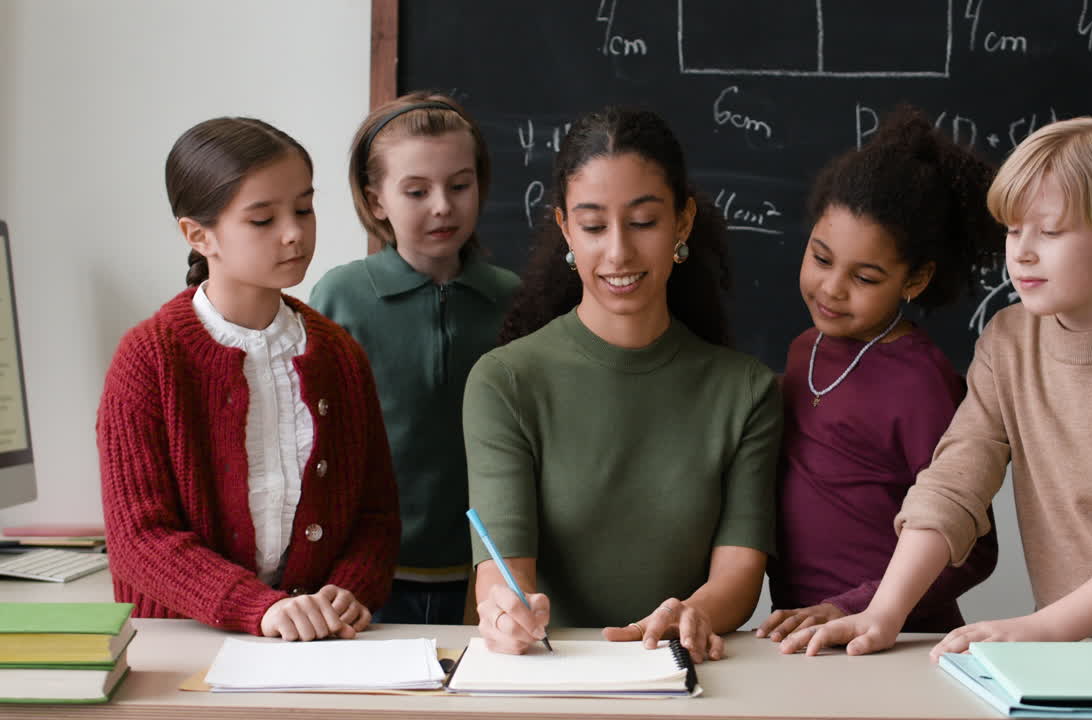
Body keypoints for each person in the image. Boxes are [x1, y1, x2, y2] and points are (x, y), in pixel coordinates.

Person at [782, 117, 1092, 688]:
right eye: (1013, 231)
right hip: (1083, 646)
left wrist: (1043, 628)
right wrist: (882, 613)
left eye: (1049, 232)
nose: (1021, 254)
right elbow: (954, 484)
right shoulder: (1007, 340)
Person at [464, 107, 781, 663]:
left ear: (682, 223)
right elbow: (502, 570)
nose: (618, 252)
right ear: (565, 229)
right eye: (592, 226)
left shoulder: (747, 391)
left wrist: (693, 612)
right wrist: (502, 611)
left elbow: (739, 572)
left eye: (642, 222)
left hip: (682, 669)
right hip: (552, 672)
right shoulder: (505, 382)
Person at [98, 117, 399, 641]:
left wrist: (352, 588)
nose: (294, 232)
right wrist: (257, 607)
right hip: (179, 648)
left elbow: (375, 513)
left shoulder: (339, 356)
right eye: (263, 219)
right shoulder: (149, 359)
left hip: (317, 648)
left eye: (304, 208)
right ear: (198, 235)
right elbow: (139, 537)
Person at [759, 109, 1001, 646]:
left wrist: (851, 605)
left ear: (915, 278)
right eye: (821, 258)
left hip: (896, 640)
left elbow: (976, 550)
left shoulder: (919, 382)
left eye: (865, 277)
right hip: (804, 638)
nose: (832, 288)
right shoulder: (804, 352)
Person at [310, 92, 519, 624]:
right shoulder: (340, 298)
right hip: (365, 579)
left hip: (489, 578)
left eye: (459, 185)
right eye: (416, 190)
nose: (443, 206)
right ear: (376, 199)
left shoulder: (516, 300)